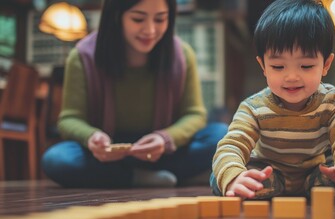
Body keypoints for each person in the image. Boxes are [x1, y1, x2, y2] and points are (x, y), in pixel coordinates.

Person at [42, 0, 228, 188]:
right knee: (57, 159)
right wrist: (91, 137)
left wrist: (165, 139)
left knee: (221, 134)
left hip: (162, 153)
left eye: (160, 19)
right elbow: (69, 119)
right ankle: (143, 177)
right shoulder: (82, 56)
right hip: (106, 157)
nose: (150, 30)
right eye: (138, 19)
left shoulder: (183, 55)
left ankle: (132, 177)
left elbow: (195, 115)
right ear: (116, 16)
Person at [210, 0, 335, 199]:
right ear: (263, 66)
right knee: (233, 177)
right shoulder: (253, 108)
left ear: (326, 64)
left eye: (306, 66)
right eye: (278, 67)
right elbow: (232, 144)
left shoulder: (332, 102)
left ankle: (334, 181)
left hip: (316, 171)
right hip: (269, 171)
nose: (292, 77)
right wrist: (234, 176)